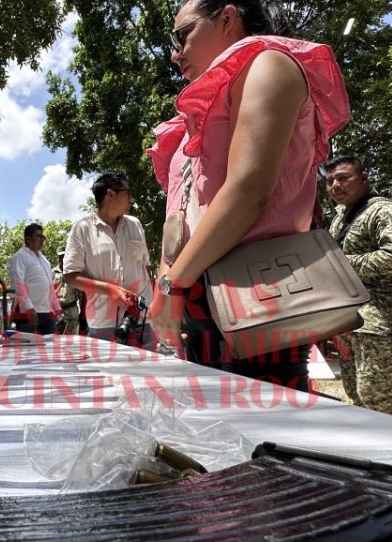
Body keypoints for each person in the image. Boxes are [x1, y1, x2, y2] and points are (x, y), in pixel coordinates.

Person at [147, 0, 349, 393]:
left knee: (262, 433)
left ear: (226, 18)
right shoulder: (209, 101)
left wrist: (172, 285)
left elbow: (248, 190)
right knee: (217, 431)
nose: (174, 54)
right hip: (198, 288)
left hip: (256, 290)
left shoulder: (267, 64)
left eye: (181, 35)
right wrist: (167, 285)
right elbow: (182, 212)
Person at [324, 156, 392, 418]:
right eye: (330, 181)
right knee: (354, 391)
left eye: (343, 178)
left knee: (376, 394)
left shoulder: (385, 210)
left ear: (364, 178)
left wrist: (343, 263)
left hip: (382, 318)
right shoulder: (342, 215)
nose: (335, 186)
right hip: (348, 318)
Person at [63, 172, 154, 348]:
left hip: (142, 322)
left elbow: (146, 267)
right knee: (106, 374)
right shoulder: (82, 228)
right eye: (127, 193)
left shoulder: (135, 224)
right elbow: (70, 276)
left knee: (147, 373)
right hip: (103, 324)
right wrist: (110, 290)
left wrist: (154, 304)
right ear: (110, 195)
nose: (132, 199)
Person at [7, 224, 60, 334]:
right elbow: (17, 284)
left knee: (49, 347)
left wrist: (56, 306)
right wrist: (28, 308)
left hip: (46, 311)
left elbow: (50, 285)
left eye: (43, 237)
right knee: (28, 348)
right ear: (28, 239)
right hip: (28, 312)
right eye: (38, 236)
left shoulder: (45, 260)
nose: (42, 240)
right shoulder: (19, 257)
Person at [54, 249, 83, 335]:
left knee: (73, 336)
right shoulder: (52, 273)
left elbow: (80, 294)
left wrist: (80, 311)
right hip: (58, 311)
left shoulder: (73, 273)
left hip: (72, 309)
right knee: (58, 337)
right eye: (60, 257)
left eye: (64, 256)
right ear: (58, 258)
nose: (62, 259)